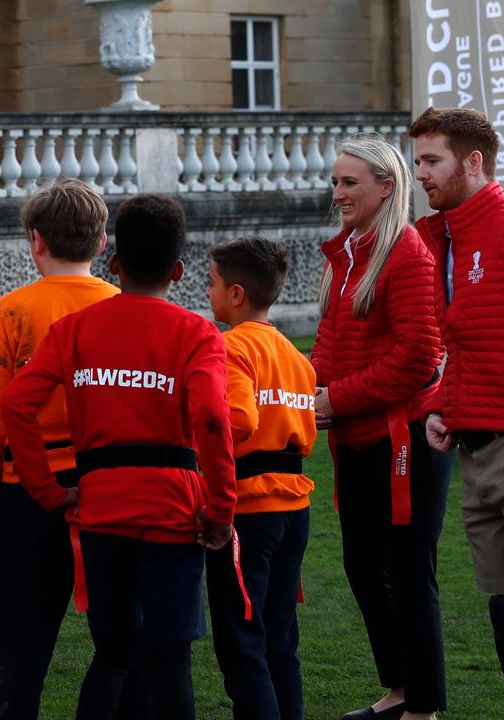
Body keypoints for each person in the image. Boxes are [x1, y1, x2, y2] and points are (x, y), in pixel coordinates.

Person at [1, 194, 235, 720]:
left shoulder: (74, 330)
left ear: (114, 264)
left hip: (102, 507)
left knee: (114, 653)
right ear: (179, 270)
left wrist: (46, 490)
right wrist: (221, 510)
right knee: (170, 659)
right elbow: (215, 421)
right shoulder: (197, 333)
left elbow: (16, 402)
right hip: (173, 509)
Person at [411, 107, 504, 720]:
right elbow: (467, 339)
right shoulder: (446, 236)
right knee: (501, 603)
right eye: (417, 162)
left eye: (432, 161)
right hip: (475, 447)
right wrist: (444, 406)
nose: (421, 174)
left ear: (474, 162)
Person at [0, 179, 118, 720]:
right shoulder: (122, 307)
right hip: (110, 490)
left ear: (36, 241)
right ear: (101, 243)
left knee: (21, 652)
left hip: (25, 493)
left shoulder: (12, 311)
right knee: (123, 646)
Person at [310, 135, 448, 720]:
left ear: (386, 187)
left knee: (408, 571)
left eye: (349, 182)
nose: (337, 192)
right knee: (364, 568)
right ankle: (399, 690)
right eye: (336, 181)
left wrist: (334, 399)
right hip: (358, 436)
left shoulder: (408, 253)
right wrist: (303, 388)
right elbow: (331, 343)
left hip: (407, 439)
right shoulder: (347, 251)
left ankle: (423, 705)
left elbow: (420, 357)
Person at [204, 236, 317, 720]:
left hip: (249, 511)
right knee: (279, 638)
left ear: (235, 294)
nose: (205, 293)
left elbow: (237, 420)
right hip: (295, 510)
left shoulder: (230, 347)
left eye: (210, 284)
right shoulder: (294, 355)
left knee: (242, 645)